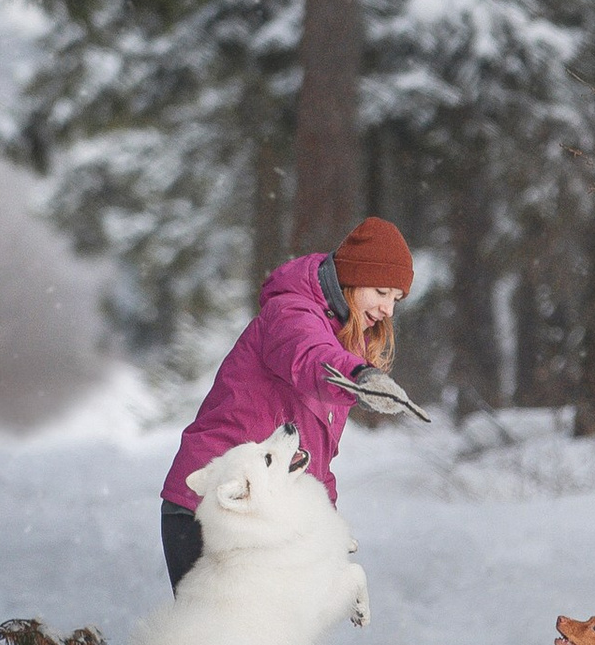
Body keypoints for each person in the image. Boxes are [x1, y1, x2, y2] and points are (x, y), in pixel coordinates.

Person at [159, 216, 413, 590]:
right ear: (351, 279)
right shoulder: (293, 313)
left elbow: (315, 456)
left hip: (255, 515)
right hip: (212, 505)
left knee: (267, 627)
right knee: (231, 628)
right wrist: (358, 377)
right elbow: (309, 357)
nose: (388, 309)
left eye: (396, 298)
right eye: (381, 292)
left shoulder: (342, 340)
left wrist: (328, 526)